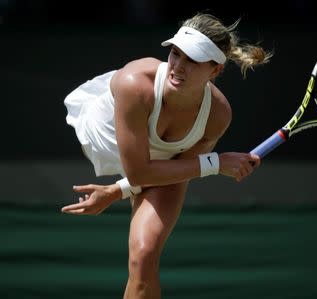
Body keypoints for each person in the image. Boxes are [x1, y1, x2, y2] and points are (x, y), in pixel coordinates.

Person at [61, 13, 271, 299]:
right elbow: (144, 173)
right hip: (103, 137)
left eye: (193, 60)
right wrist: (218, 163)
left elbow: (177, 169)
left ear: (215, 71)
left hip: (153, 163)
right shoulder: (135, 84)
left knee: (145, 255)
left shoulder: (218, 115)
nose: (178, 67)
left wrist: (115, 190)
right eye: (175, 54)